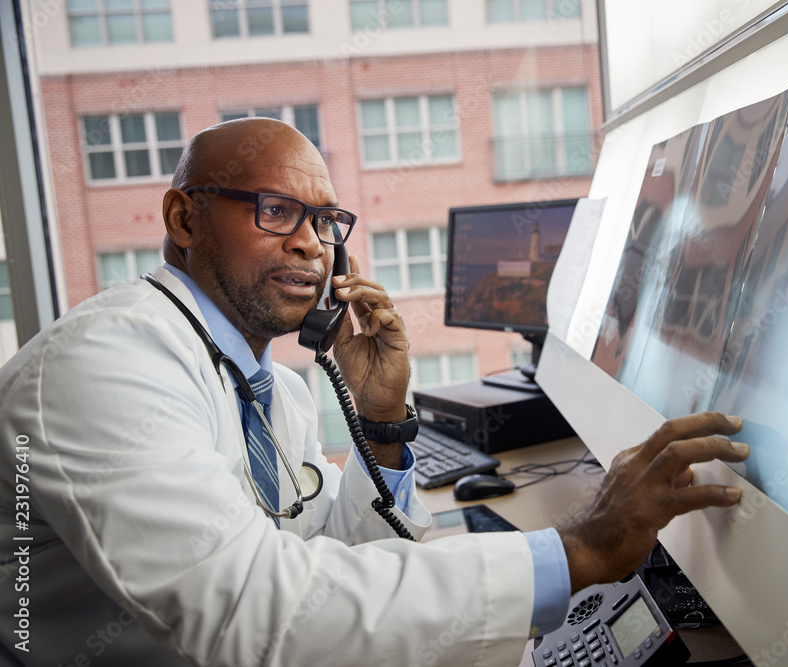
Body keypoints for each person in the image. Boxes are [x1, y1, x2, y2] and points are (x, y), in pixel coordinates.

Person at [0, 118, 749, 666]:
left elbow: (336, 557)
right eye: (275, 210)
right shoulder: (101, 369)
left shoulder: (276, 393)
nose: (310, 243)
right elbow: (255, 613)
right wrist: (576, 550)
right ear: (183, 217)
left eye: (325, 221)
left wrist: (383, 419)